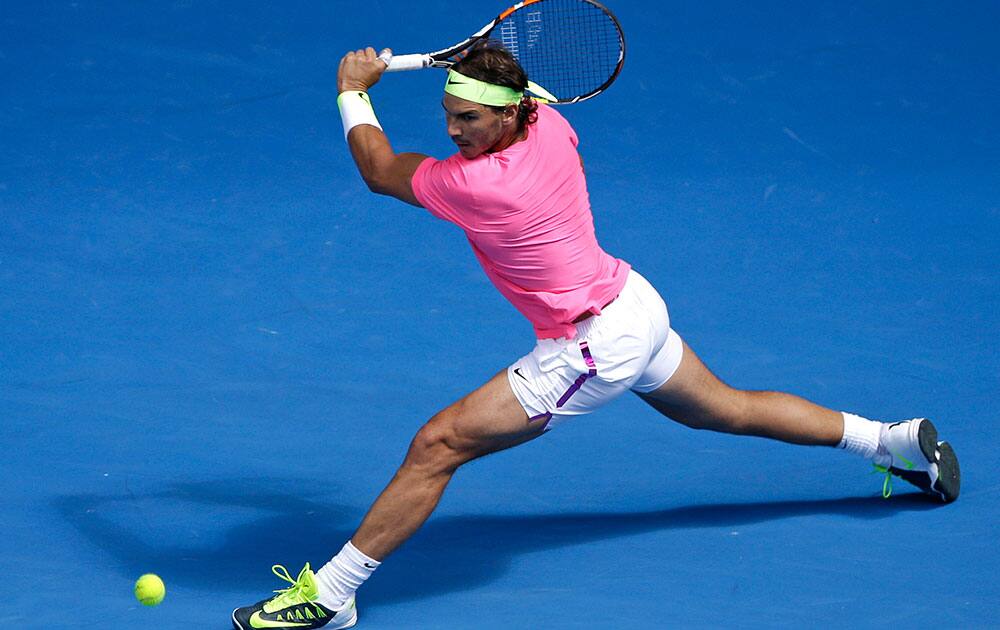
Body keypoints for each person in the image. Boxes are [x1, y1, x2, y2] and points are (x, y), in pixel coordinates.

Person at [232, 43, 960, 630]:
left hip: (590, 347)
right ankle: (890, 439)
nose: (452, 132)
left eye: (467, 120)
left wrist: (353, 89)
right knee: (727, 408)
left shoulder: (481, 186)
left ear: (512, 114)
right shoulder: (551, 125)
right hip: (631, 303)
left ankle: (331, 596)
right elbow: (508, 98)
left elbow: (379, 170)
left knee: (438, 444)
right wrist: (483, 76)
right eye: (449, 115)